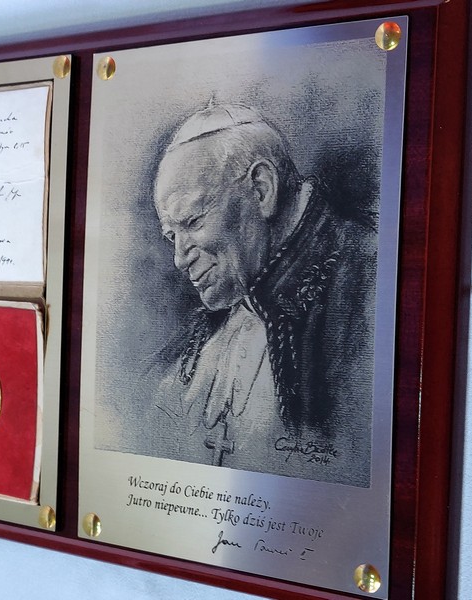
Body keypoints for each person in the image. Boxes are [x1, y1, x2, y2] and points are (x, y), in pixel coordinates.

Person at [149, 101, 376, 487]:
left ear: (261, 189)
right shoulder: (218, 314)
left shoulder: (367, 280)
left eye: (194, 221)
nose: (180, 259)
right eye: (172, 235)